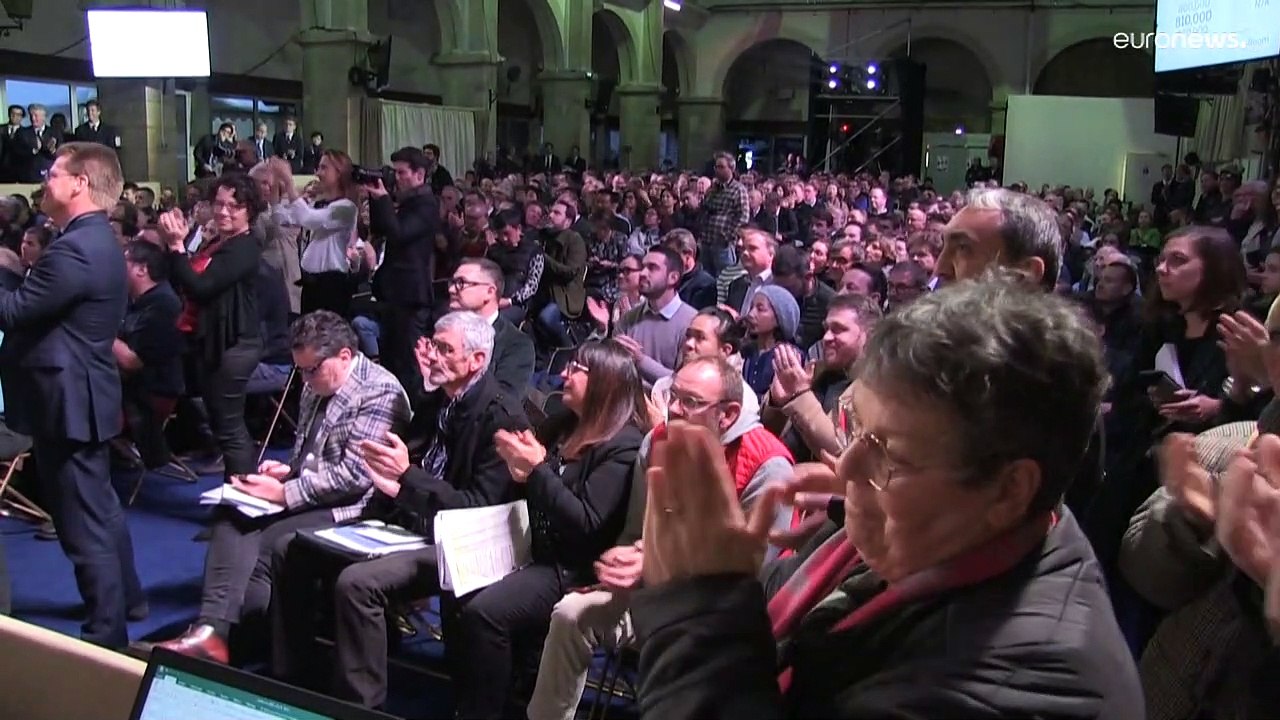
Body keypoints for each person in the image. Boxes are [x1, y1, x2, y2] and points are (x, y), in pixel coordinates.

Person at [630, 273, 1144, 718]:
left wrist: (698, 604)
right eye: (857, 429)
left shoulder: (1032, 687)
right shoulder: (925, 531)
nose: (847, 467)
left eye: (891, 455)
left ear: (1009, 491)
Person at [272, 310, 527, 708]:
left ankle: (358, 706)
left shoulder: (501, 417)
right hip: (406, 519)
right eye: (434, 346)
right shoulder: (441, 398)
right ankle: (292, 677)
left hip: (458, 541)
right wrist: (398, 478)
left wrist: (406, 478)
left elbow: (476, 509)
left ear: (477, 360)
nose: (434, 356)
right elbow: (410, 452)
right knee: (291, 548)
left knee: (357, 582)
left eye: (446, 349)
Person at [154, 311, 411, 663]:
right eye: (299, 370)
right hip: (313, 491)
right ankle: (213, 630)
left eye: (311, 370)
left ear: (345, 357)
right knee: (231, 517)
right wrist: (286, 472)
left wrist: (285, 493)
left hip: (356, 506)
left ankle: (253, 640)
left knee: (267, 544)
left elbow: (356, 475)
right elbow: (313, 453)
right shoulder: (316, 383)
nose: (304, 380)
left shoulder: (380, 391)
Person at [450, 340, 647, 718]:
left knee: (485, 612)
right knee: (458, 589)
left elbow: (586, 525)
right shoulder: (562, 422)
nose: (563, 375)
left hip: (575, 568)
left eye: (576, 370)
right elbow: (530, 478)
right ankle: (486, 699)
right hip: (532, 547)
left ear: (604, 381)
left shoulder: (623, 445)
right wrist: (520, 466)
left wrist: (537, 471)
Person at [0, 142, 145, 649]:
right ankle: (127, 601)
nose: (44, 181)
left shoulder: (77, 247)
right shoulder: (87, 241)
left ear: (80, 183)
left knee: (83, 527)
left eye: (53, 173)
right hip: (77, 394)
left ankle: (106, 638)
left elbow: (16, 312)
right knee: (99, 510)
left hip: (68, 401)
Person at [158, 175, 265, 483]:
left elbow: (201, 288)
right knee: (223, 424)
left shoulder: (245, 247)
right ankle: (237, 498)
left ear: (250, 211)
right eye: (219, 204)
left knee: (229, 427)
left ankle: (243, 501)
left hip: (236, 343)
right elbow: (182, 279)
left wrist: (178, 246)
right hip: (217, 341)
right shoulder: (221, 243)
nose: (224, 212)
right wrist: (174, 247)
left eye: (235, 206)